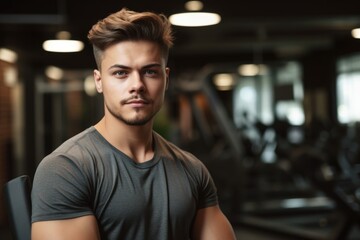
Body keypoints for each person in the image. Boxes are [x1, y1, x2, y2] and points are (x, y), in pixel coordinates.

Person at [31, 8, 236, 240]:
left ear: (166, 78)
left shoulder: (192, 170)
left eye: (150, 72)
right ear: (99, 81)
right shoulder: (66, 170)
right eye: (121, 73)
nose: (137, 85)